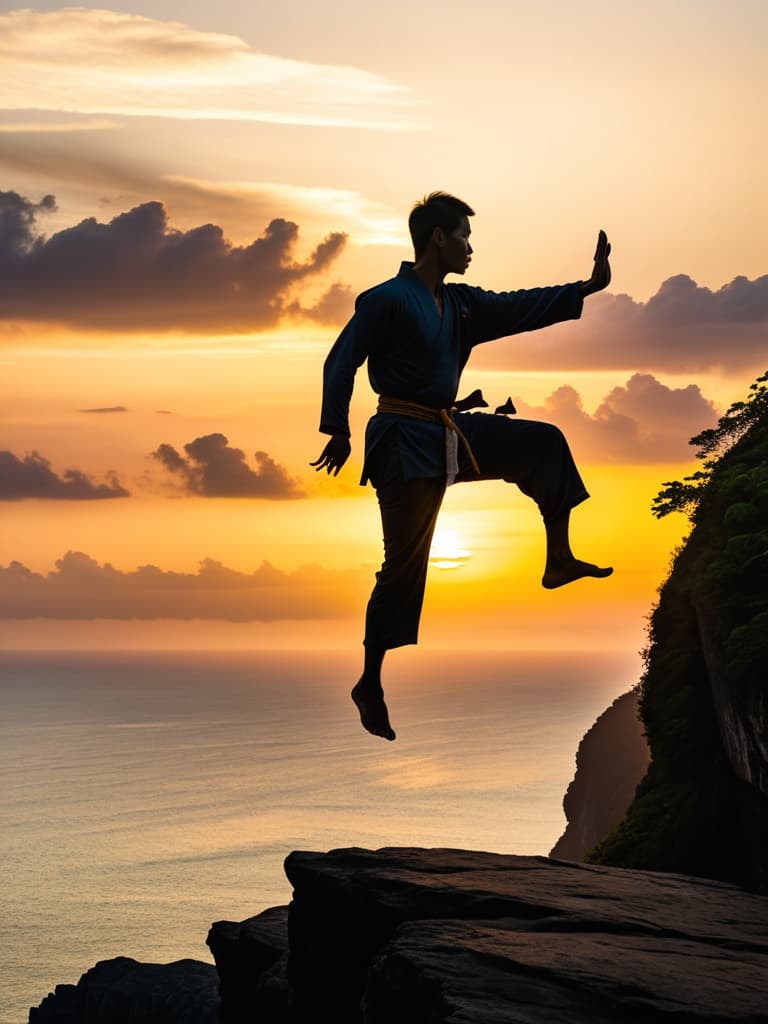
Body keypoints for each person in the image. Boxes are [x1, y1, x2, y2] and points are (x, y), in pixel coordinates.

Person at [311, 192, 612, 742]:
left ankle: (559, 559)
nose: (472, 248)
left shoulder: (463, 305)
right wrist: (338, 427)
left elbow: (519, 305)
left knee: (543, 442)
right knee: (403, 565)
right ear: (438, 239)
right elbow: (342, 359)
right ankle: (369, 683)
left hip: (449, 429)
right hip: (402, 440)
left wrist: (584, 289)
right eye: (465, 236)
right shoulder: (386, 300)